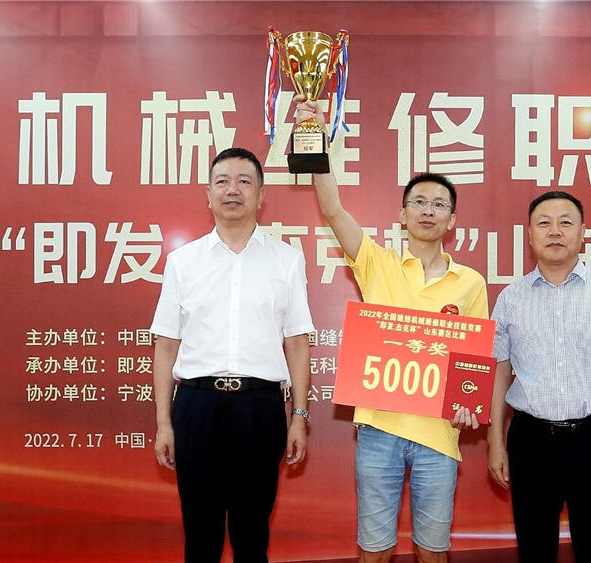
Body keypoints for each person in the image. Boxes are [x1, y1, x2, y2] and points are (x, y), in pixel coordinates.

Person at [293, 94, 488, 563]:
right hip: (379, 429)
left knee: (432, 552)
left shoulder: (471, 283)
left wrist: (469, 404)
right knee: (374, 551)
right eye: (418, 202)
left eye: (438, 204)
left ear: (452, 220)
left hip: (439, 436)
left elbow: (476, 362)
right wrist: (314, 134)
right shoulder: (376, 263)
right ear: (402, 215)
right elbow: (333, 209)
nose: (428, 210)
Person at [150, 147, 314, 563]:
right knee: (200, 535)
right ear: (208, 195)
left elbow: (297, 342)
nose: (233, 190)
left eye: (244, 181)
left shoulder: (287, 260)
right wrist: (164, 423)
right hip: (196, 406)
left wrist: (299, 415)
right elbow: (166, 345)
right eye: (222, 181)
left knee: (252, 535)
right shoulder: (183, 262)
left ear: (261, 195)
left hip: (260, 409)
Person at [487, 191, 591, 563]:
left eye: (565, 223)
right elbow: (499, 373)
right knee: (534, 551)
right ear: (529, 235)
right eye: (544, 223)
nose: (554, 231)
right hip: (530, 441)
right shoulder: (510, 298)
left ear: (583, 232)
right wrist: (495, 442)